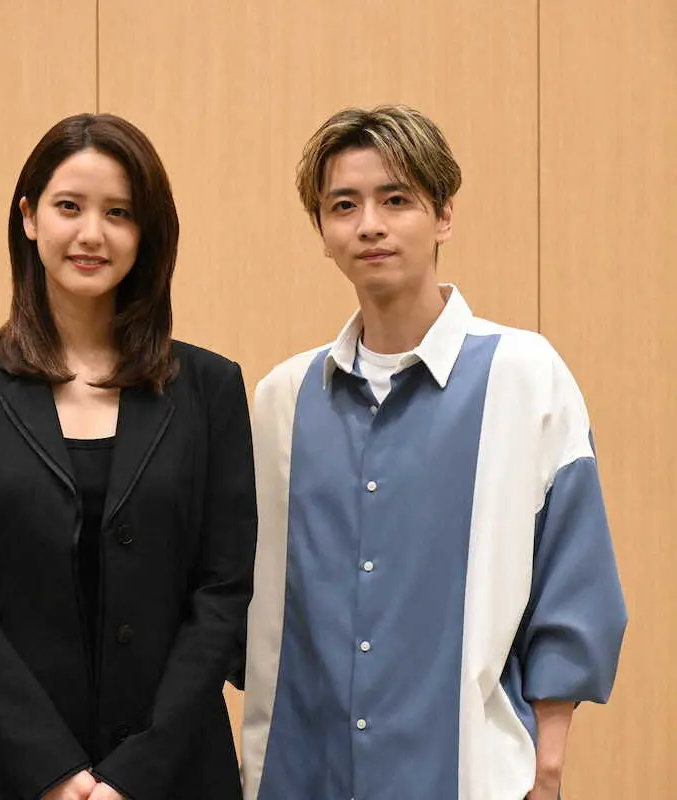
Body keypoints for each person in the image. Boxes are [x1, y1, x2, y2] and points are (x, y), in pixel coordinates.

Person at [241, 105, 628, 800]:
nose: (370, 225)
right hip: (299, 776)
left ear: (444, 215)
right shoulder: (282, 400)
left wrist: (548, 762)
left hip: (471, 776)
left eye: (396, 200)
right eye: (343, 205)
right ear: (322, 231)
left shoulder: (523, 375)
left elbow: (574, 576)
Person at [0, 113, 256, 800]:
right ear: (29, 217)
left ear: (146, 232)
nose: (92, 234)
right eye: (69, 207)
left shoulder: (210, 388)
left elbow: (221, 593)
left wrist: (134, 774)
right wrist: (53, 771)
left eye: (119, 213)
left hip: (173, 770)